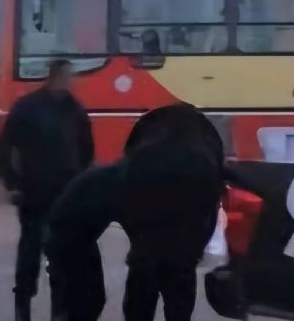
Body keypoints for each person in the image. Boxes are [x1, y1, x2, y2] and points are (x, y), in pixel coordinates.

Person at [44, 103, 225, 321]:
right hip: (174, 253)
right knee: (175, 291)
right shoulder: (203, 175)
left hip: (139, 249)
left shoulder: (125, 173)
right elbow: (206, 222)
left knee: (138, 291)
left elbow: (73, 215)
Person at [0, 59, 94, 321]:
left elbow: (86, 149)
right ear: (54, 77)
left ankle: (59, 309)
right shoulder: (27, 107)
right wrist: (12, 183)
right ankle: (22, 306)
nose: (71, 81)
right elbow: (4, 147)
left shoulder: (75, 109)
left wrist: (82, 183)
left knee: (62, 253)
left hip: (67, 193)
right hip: (34, 191)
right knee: (31, 249)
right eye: (67, 76)